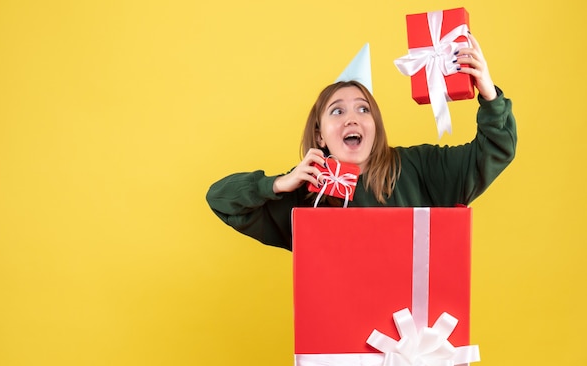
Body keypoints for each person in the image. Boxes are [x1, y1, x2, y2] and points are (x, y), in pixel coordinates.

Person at [206, 34, 516, 251]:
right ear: (319, 135)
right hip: (335, 339)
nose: (352, 118)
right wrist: (276, 185)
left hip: (412, 338)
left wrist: (489, 96)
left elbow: (493, 150)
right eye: (337, 110)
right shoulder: (306, 194)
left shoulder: (420, 167)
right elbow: (220, 200)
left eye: (363, 109)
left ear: (375, 125)